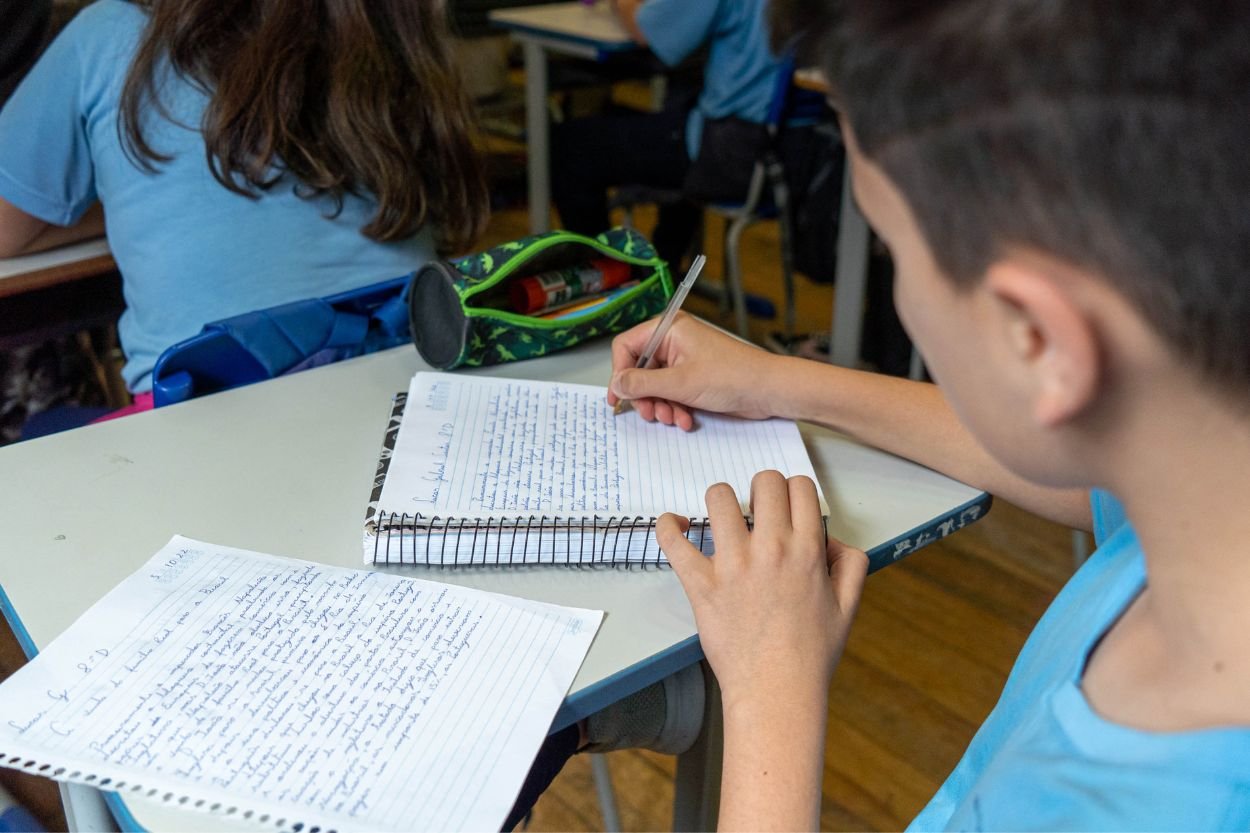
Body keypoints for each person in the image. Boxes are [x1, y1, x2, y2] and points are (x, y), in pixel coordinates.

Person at [605, 0, 1250, 828]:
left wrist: (773, 686)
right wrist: (776, 381)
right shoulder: (1199, 490)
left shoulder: (1152, 809)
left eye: (895, 253)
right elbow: (1101, 480)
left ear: (1039, 338)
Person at [0, 0, 488, 407]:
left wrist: (123, 193)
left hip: (202, 415)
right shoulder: (390, 28)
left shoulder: (106, 36)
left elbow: (6, 233)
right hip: (419, 395)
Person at [551, 0, 783, 268]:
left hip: (730, 154)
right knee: (678, 112)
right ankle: (664, 265)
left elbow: (645, 29)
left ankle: (607, 283)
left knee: (569, 146)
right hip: (788, 153)